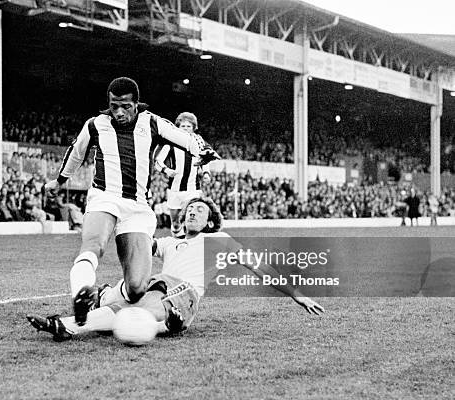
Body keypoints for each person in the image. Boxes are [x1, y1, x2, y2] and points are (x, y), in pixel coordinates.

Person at [43, 77, 219, 325]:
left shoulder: (152, 123)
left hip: (137, 206)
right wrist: (59, 180)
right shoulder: (96, 125)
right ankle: (81, 293)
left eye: (125, 106)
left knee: (136, 287)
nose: (118, 112)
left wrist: (203, 153)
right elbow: (76, 151)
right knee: (94, 244)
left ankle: (103, 296)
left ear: (136, 104)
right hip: (105, 196)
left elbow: (185, 139)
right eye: (113, 106)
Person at [27, 196, 324, 341]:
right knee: (121, 301)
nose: (192, 211)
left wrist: (296, 294)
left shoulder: (219, 241)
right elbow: (139, 249)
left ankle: (68, 325)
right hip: (160, 286)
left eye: (200, 210)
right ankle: (164, 324)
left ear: (209, 222)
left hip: (184, 292)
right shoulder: (168, 243)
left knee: (139, 303)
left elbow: (260, 268)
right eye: (189, 209)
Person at [155, 112, 211, 238]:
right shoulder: (170, 143)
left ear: (193, 128)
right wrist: (166, 170)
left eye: (188, 126)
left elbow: (207, 158)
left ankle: (189, 247)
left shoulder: (199, 143)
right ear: (178, 128)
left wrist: (206, 173)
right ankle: (177, 244)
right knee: (175, 223)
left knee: (191, 220)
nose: (185, 129)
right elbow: (158, 162)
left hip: (193, 190)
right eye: (183, 126)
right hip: (174, 190)